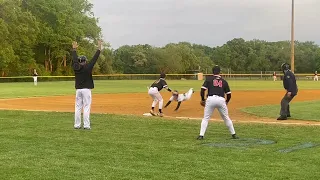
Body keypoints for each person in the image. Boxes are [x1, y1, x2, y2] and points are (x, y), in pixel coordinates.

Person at [197, 65, 238, 140]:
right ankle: (234, 134)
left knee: (206, 118)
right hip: (221, 99)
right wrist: (226, 102)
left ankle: (201, 135)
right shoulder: (224, 81)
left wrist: (203, 99)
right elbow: (229, 94)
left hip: (210, 99)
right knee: (226, 117)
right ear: (219, 72)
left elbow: (202, 90)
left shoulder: (209, 79)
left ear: (213, 72)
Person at [72, 40, 102, 129]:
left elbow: (74, 60)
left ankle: (77, 125)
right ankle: (86, 125)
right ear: (85, 61)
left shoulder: (76, 68)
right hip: (86, 90)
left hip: (78, 90)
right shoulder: (88, 67)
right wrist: (99, 49)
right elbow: (94, 59)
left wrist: (74, 50)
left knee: (77, 108)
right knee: (86, 107)